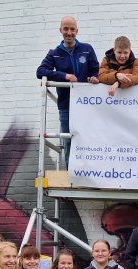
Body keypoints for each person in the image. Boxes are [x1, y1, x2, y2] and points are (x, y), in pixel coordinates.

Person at [36, 16, 100, 167]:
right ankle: (70, 174)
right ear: (60, 30)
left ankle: (90, 172)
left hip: (87, 104)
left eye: (72, 29)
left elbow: (96, 70)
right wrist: (65, 76)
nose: (69, 32)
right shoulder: (54, 53)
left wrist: (94, 78)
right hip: (66, 105)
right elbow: (40, 71)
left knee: (88, 137)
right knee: (68, 140)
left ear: (77, 31)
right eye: (66, 29)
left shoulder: (87, 49)